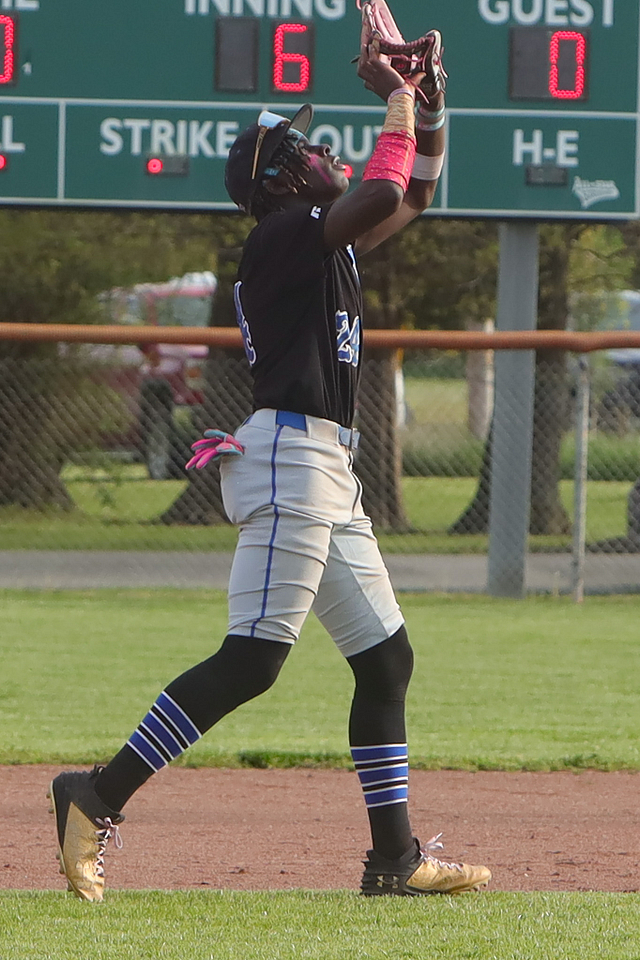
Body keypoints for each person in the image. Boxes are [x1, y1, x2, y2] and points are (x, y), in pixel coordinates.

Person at [49, 29, 491, 902]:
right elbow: (382, 186)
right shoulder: (285, 234)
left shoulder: (318, 239)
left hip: (324, 466)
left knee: (386, 660)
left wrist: (429, 103)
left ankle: (394, 860)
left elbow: (415, 192)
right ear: (282, 180)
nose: (326, 152)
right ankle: (94, 795)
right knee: (253, 659)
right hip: (292, 461)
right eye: (308, 147)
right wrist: (395, 97)